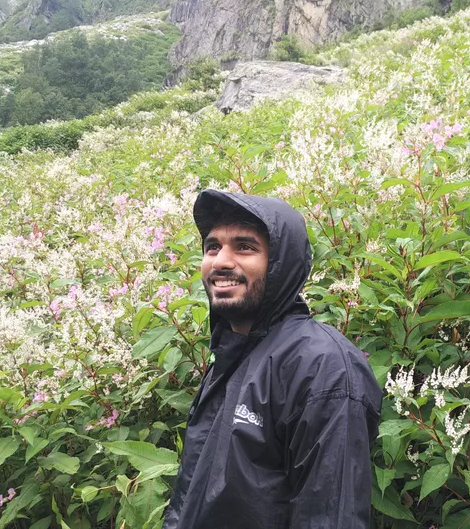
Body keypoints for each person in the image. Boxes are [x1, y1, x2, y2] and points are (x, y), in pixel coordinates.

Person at [163, 190, 383, 529]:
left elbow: (329, 517)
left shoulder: (324, 370)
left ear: (282, 263)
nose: (221, 261)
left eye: (245, 247)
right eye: (212, 247)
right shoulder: (232, 352)